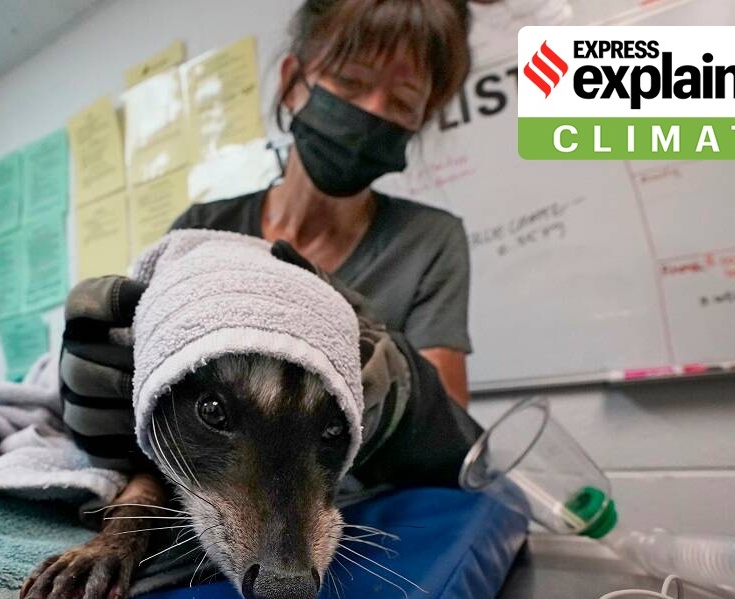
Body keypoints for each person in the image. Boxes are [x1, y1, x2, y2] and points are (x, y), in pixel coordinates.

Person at [59, 0, 482, 482]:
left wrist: (405, 395)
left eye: (404, 103)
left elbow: (456, 442)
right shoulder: (202, 228)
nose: (372, 112)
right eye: (351, 81)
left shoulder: (430, 240)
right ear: (291, 84)